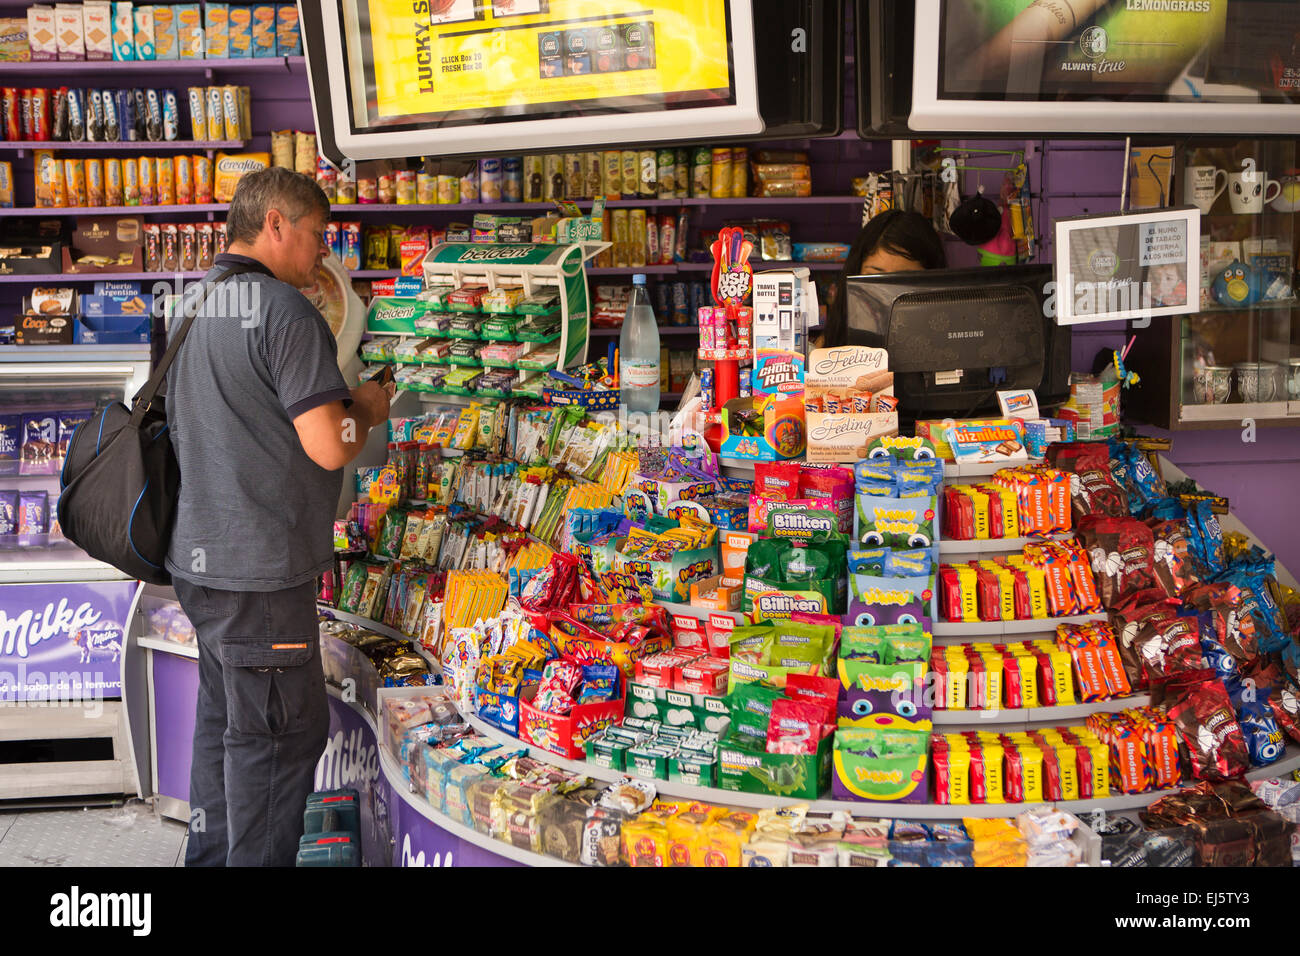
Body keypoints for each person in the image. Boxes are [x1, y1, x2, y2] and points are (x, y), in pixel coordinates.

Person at [165, 167, 393, 866]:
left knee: (227, 731)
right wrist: (369, 409)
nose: (322, 254)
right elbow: (330, 445)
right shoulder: (284, 312)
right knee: (278, 742)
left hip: (201, 564)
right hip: (259, 573)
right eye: (318, 236)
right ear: (275, 225)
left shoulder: (195, 302)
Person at [819, 209, 947, 349]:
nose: (886, 295)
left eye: (902, 280)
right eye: (874, 279)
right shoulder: (829, 346)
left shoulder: (947, 344)